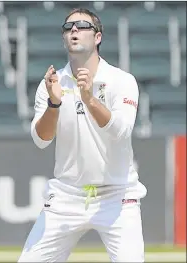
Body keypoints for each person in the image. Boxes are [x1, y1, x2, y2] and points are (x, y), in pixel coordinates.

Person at [18, 7, 147, 263]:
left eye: (82, 25)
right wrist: (54, 105)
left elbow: (121, 131)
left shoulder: (121, 80)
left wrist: (89, 99)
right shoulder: (52, 83)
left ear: (98, 37)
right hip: (66, 195)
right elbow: (41, 140)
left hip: (117, 195)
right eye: (68, 27)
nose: (74, 30)